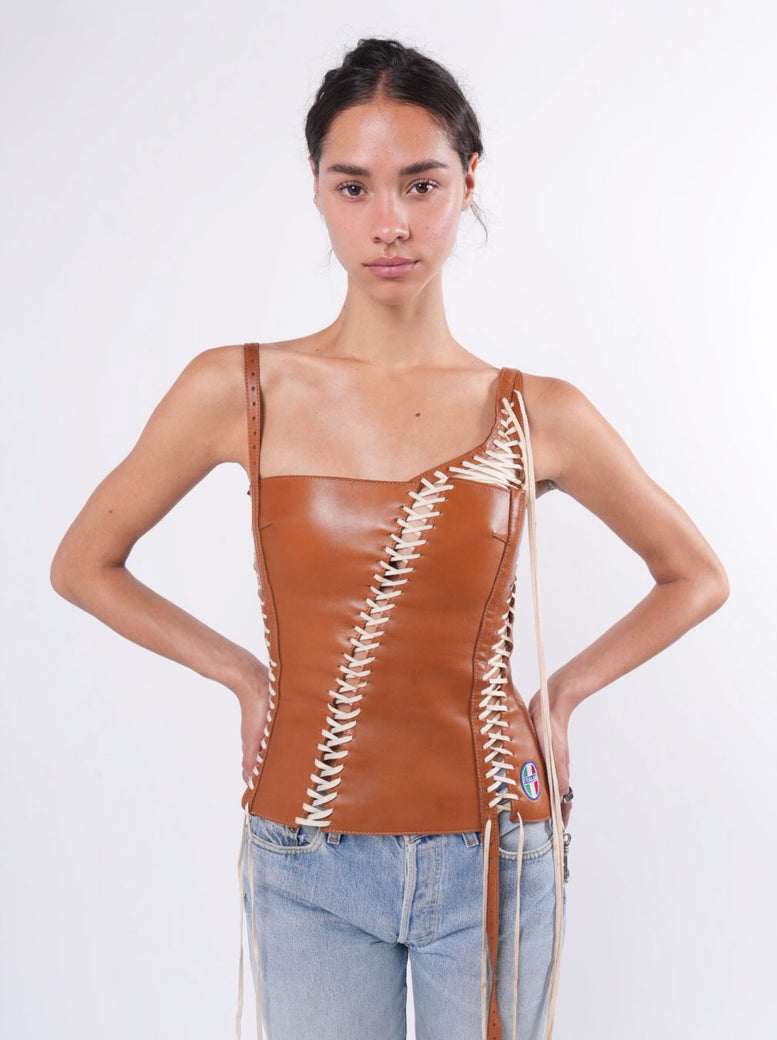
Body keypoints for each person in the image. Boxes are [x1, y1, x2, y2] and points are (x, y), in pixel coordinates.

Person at [50, 36, 729, 1040]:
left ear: (467, 181)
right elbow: (83, 564)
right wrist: (242, 674)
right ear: (316, 190)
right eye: (354, 187)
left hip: (497, 846)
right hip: (306, 851)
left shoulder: (538, 411)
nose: (390, 222)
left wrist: (561, 697)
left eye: (420, 183)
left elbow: (694, 575)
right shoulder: (237, 388)